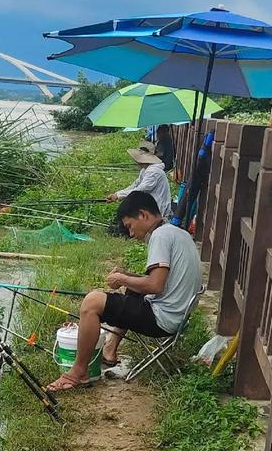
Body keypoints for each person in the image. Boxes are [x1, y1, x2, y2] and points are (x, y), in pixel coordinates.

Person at [47, 191, 202, 392]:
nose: (130, 233)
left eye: (130, 226)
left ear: (143, 215)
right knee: (132, 287)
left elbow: (155, 285)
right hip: (178, 316)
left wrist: (121, 278)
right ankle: (109, 350)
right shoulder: (177, 232)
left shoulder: (160, 236)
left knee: (92, 302)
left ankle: (78, 372)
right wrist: (127, 275)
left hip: (162, 319)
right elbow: (160, 280)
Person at [108, 145, 172, 220]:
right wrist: (117, 194)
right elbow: (135, 184)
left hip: (159, 207)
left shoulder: (154, 171)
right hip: (151, 205)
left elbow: (141, 189)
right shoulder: (145, 170)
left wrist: (119, 195)